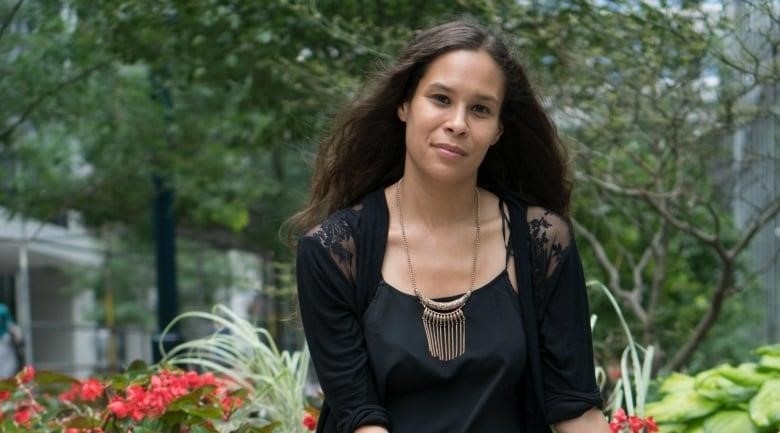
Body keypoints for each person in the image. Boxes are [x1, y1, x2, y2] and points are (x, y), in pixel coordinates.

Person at [290, 19, 610, 433]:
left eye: (480, 109)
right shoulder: (333, 251)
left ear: (497, 130)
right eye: (441, 98)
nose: (458, 123)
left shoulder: (540, 241)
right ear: (404, 105)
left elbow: (576, 408)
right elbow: (359, 420)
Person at [0, 302, 22, 378]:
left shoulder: (2, 309)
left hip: (4, 342)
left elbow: (11, 324)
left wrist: (18, 335)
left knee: (9, 368)